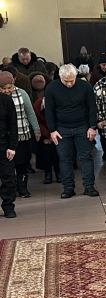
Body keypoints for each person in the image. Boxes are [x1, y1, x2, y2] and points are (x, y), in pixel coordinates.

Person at [45, 64, 99, 199]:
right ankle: (68, 188)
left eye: (72, 80)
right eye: (66, 81)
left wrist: (92, 127)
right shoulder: (51, 87)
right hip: (61, 128)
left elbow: (92, 107)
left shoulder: (85, 86)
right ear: (60, 77)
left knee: (86, 157)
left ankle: (89, 187)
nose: (69, 84)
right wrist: (52, 130)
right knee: (64, 159)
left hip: (83, 126)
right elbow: (49, 111)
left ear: (76, 76)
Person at [0, 71, 39, 201]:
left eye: (9, 87)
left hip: (22, 134)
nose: (7, 91)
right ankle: (11, 188)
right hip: (5, 138)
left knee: (22, 163)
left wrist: (36, 129)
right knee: (8, 166)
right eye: (3, 88)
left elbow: (30, 112)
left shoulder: (22, 93)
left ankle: (22, 187)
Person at [29, 73, 58, 184]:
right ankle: (48, 174)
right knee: (46, 151)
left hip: (57, 133)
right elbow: (36, 121)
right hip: (44, 136)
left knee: (57, 152)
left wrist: (53, 135)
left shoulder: (58, 103)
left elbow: (61, 119)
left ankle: (58, 173)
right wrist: (47, 136)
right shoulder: (38, 104)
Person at [0, 82, 17, 217]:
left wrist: (12, 146)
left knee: (9, 177)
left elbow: (13, 125)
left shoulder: (5, 100)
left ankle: (8, 206)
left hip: (4, 144)